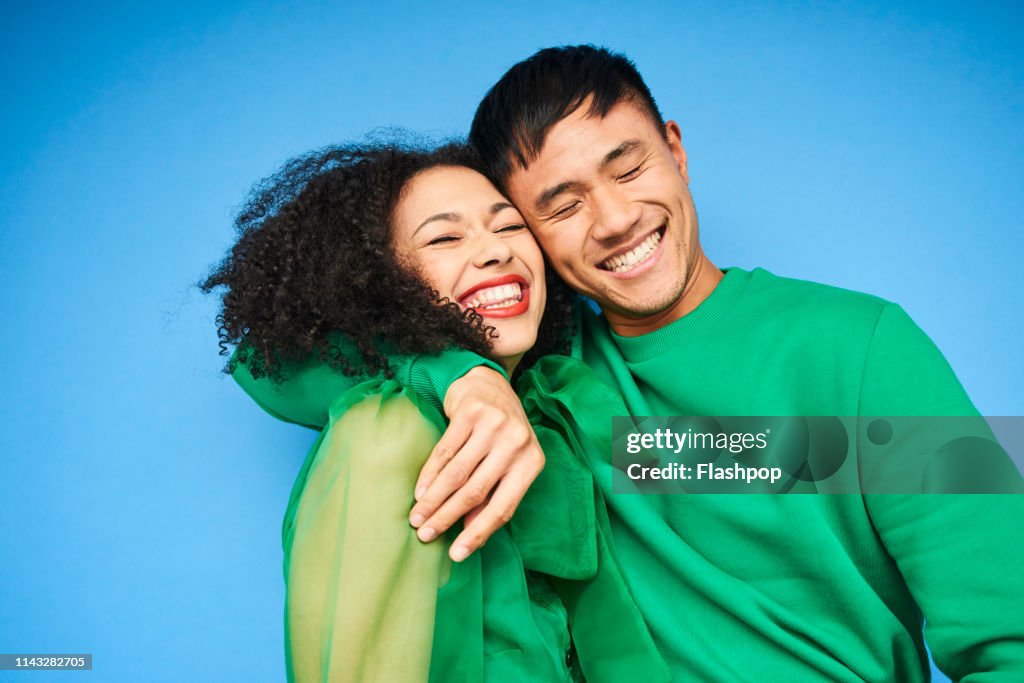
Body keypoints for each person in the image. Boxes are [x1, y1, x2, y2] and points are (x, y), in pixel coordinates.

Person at [240, 47, 1024, 681]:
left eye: (628, 167)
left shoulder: (863, 343)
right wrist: (465, 378)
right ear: (532, 239)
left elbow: (1008, 637)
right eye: (561, 203)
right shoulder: (545, 377)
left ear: (675, 151)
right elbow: (264, 363)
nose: (615, 220)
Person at [201, 141, 668, 682]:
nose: (496, 251)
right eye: (445, 236)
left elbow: (701, 464)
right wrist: (459, 375)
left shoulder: (564, 406)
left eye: (511, 227)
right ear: (378, 281)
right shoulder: (389, 430)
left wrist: (785, 446)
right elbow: (260, 363)